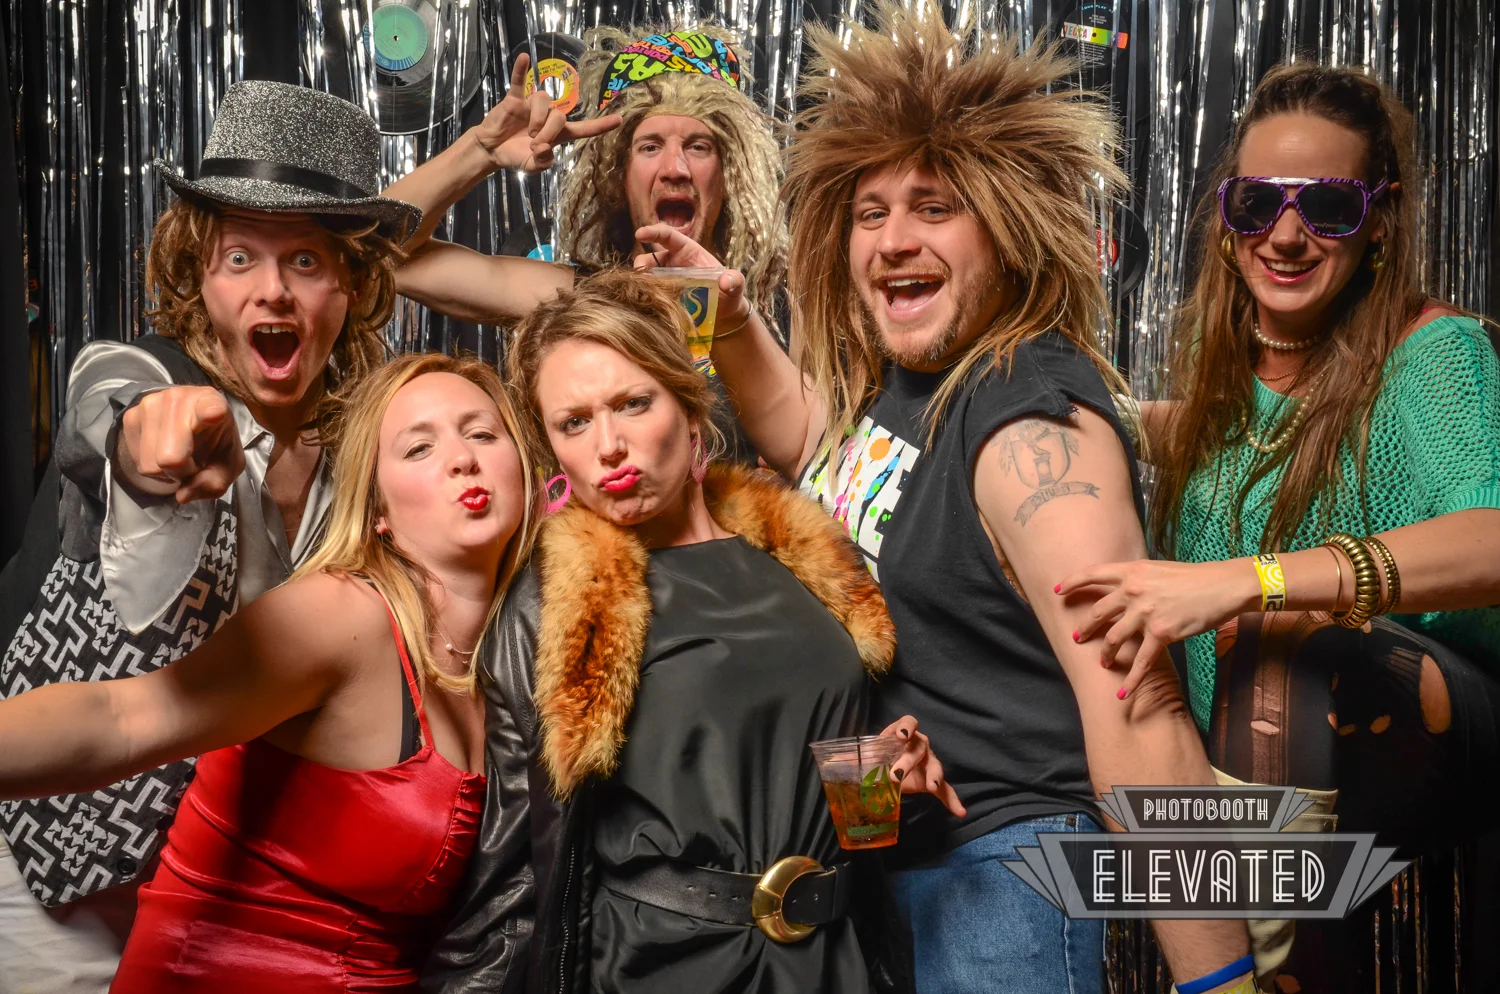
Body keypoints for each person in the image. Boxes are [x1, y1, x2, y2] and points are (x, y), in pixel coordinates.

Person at [637, 4, 1259, 993]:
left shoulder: (1030, 427)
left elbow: (1139, 711)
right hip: (893, 862)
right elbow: (820, 450)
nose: (893, 240)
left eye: (934, 208)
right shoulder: (919, 387)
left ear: (1007, 232)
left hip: (1000, 882)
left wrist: (1219, 984)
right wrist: (730, 311)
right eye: (871, 213)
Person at [1062, 62, 1500, 990]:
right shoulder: (1221, 372)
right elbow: (1188, 432)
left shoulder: (1431, 352)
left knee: (1276, 636)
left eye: (1329, 207)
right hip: (1256, 762)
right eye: (1259, 202)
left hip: (1429, 725)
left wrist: (1250, 580)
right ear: (1228, 220)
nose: (1287, 235)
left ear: (1379, 220)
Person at [423, 270, 963, 994]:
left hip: (832, 960)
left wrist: (889, 780)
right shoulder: (556, 604)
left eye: (633, 403)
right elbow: (514, 873)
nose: (609, 445)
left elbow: (818, 788)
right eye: (574, 422)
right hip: (662, 967)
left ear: (688, 403)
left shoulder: (802, 560)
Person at [0, 80, 417, 992]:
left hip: (241, 887)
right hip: (55, 869)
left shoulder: (370, 450)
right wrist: (150, 442)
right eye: (240, 258)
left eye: (305, 260)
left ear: (351, 286)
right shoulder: (139, 370)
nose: (271, 290)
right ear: (200, 274)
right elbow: (110, 415)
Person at [0, 352, 540, 992]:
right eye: (419, 448)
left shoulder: (512, 656)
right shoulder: (341, 616)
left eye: (482, 434)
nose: (462, 459)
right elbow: (122, 717)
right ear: (378, 510)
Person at [385, 29, 785, 326]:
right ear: (618, 177)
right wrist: (480, 152)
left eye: (698, 147)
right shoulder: (578, 300)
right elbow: (385, 258)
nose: (675, 169)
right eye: (650, 147)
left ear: (728, 175)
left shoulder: (779, 312)